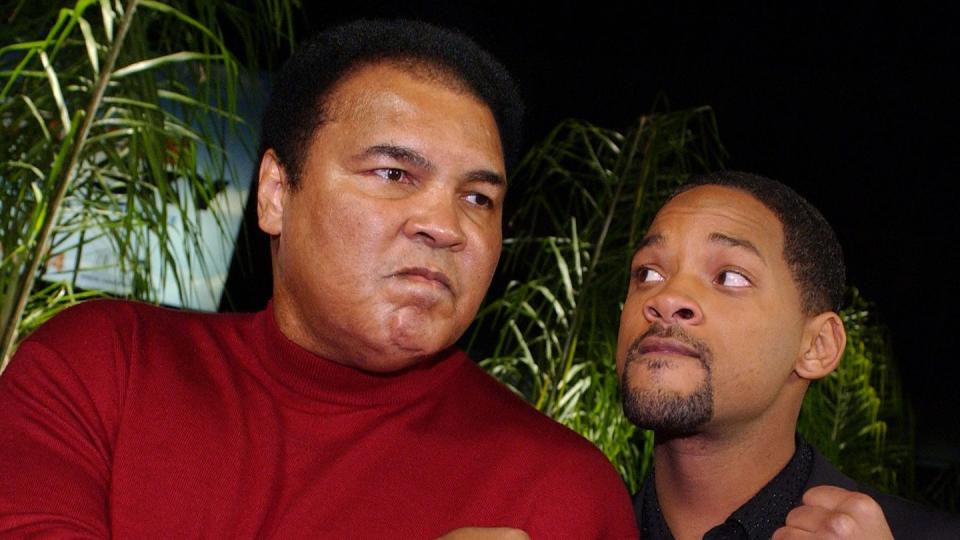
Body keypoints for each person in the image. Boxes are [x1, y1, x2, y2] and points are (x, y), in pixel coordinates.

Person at [0, 20, 638, 538]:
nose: (445, 226)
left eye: (478, 199)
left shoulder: (564, 496)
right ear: (276, 193)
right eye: (394, 174)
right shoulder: (103, 367)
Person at [617, 170, 960, 539]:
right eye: (648, 273)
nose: (666, 298)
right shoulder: (574, 524)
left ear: (817, 346)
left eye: (730, 277)